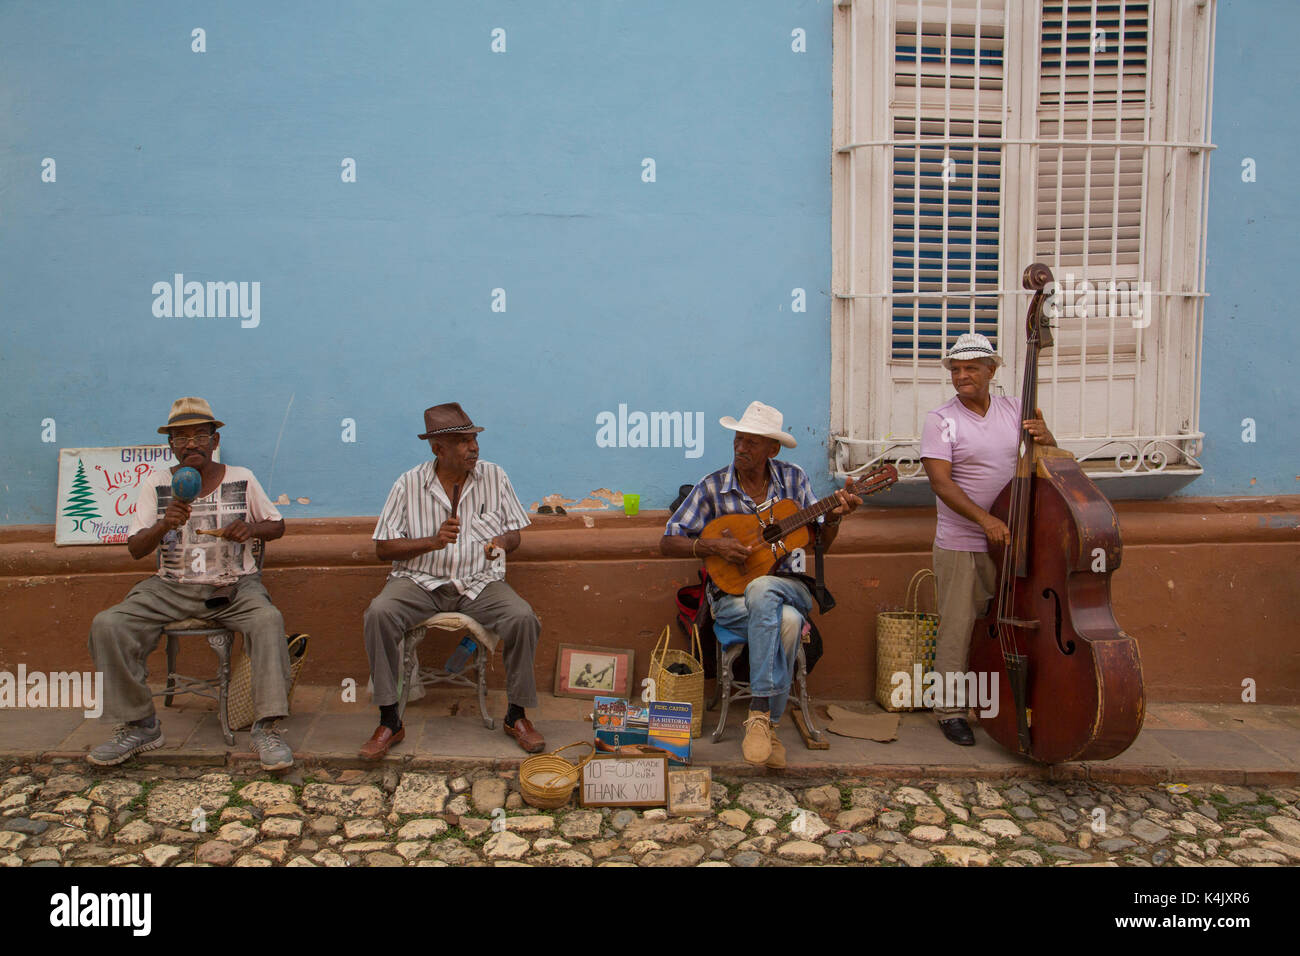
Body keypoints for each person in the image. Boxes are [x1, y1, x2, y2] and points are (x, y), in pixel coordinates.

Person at [88, 397, 294, 770]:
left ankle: (267, 728)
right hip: (170, 587)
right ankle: (140, 725)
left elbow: (277, 526)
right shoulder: (158, 482)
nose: (191, 444)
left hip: (233, 586)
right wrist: (164, 524)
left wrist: (250, 528)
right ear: (170, 446)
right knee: (108, 624)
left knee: (268, 621)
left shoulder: (241, 478)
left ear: (215, 441)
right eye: (181, 437)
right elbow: (136, 549)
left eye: (200, 435)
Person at [659, 401, 860, 768]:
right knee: (784, 620)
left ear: (773, 449)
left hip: (793, 586)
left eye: (752, 443)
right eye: (738, 440)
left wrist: (833, 518)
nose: (740, 448)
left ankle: (758, 710)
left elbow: (818, 542)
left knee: (764, 588)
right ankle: (771, 725)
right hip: (731, 598)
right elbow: (668, 540)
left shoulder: (795, 480)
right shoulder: (712, 487)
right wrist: (712, 545)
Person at [361, 402, 541, 758]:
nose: (473, 447)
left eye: (473, 439)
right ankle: (389, 720)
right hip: (420, 582)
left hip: (478, 582)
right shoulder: (408, 483)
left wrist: (500, 543)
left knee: (522, 618)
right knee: (379, 613)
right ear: (437, 449)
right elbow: (383, 549)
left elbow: (515, 536)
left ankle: (516, 715)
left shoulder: (494, 476)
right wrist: (433, 540)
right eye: (462, 441)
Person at [920, 333, 1056, 746]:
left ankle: (1013, 701)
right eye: (956, 370)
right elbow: (941, 484)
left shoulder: (1016, 409)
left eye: (971, 368)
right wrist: (985, 520)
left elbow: (1047, 467)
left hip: (1017, 542)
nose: (962, 376)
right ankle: (949, 710)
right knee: (959, 627)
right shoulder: (941, 420)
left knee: (1016, 623)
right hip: (964, 541)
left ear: (991, 371)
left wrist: (1048, 440)